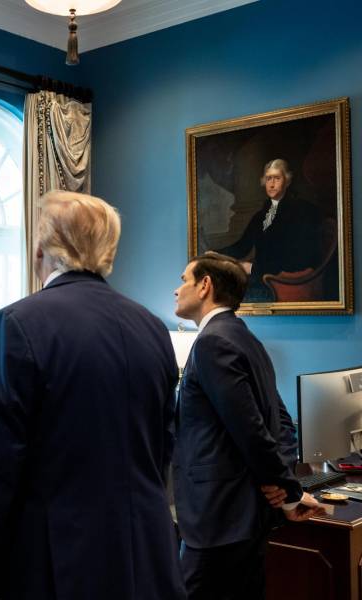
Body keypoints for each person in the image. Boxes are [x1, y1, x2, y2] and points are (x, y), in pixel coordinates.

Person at [0, 191, 185, 600]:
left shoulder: (17, 324)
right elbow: (163, 444)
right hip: (149, 552)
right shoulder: (152, 327)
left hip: (60, 559)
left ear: (42, 249)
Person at [172, 252, 322, 599]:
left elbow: (252, 430)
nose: (176, 290)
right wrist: (284, 484)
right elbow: (281, 422)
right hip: (246, 516)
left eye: (184, 280)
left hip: (220, 517)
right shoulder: (246, 338)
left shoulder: (212, 343)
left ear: (206, 285)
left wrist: (288, 491)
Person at [218, 159, 323, 301]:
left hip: (280, 283)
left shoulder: (302, 212)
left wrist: (253, 268)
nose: (272, 184)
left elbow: (299, 258)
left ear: (287, 181)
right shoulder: (261, 215)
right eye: (268, 179)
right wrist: (215, 254)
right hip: (260, 279)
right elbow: (242, 246)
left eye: (277, 178)